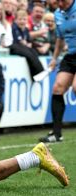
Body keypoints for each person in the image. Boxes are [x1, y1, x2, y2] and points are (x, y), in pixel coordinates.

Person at [39, 0, 76, 143]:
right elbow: (60, 40)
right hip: (71, 56)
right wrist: (54, 59)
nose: (57, 4)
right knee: (57, 88)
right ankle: (56, 133)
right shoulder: (57, 15)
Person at [10, 9, 45, 80]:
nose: (22, 21)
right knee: (29, 54)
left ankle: (39, 72)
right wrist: (25, 43)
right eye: (20, 19)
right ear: (15, 20)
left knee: (34, 52)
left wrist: (29, 43)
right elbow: (19, 40)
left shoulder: (26, 29)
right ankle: (38, 73)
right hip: (15, 47)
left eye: (24, 19)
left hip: (24, 47)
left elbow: (28, 40)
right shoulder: (14, 28)